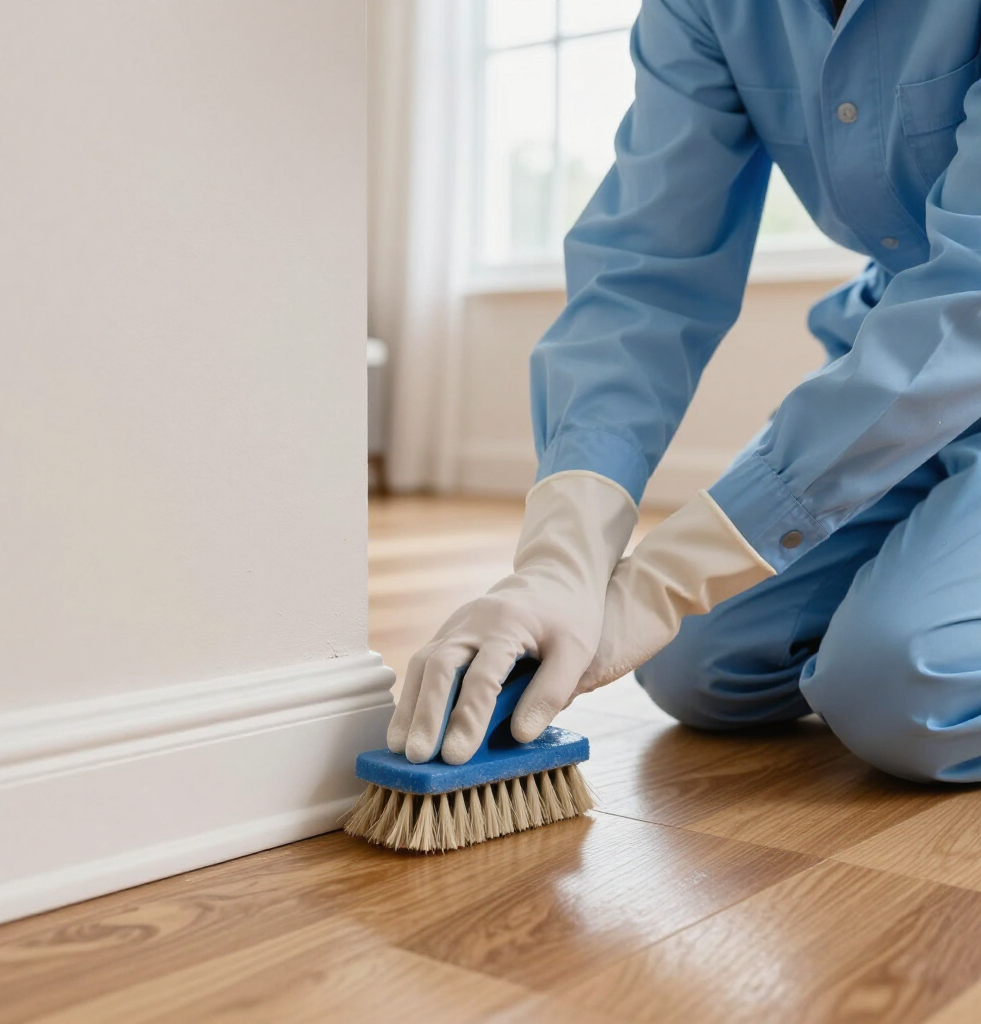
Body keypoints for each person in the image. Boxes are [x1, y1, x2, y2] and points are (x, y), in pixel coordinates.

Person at [388, 0, 981, 784]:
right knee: (697, 666)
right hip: (901, 386)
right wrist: (560, 557)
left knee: (899, 689)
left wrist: (664, 577)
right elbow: (646, 271)